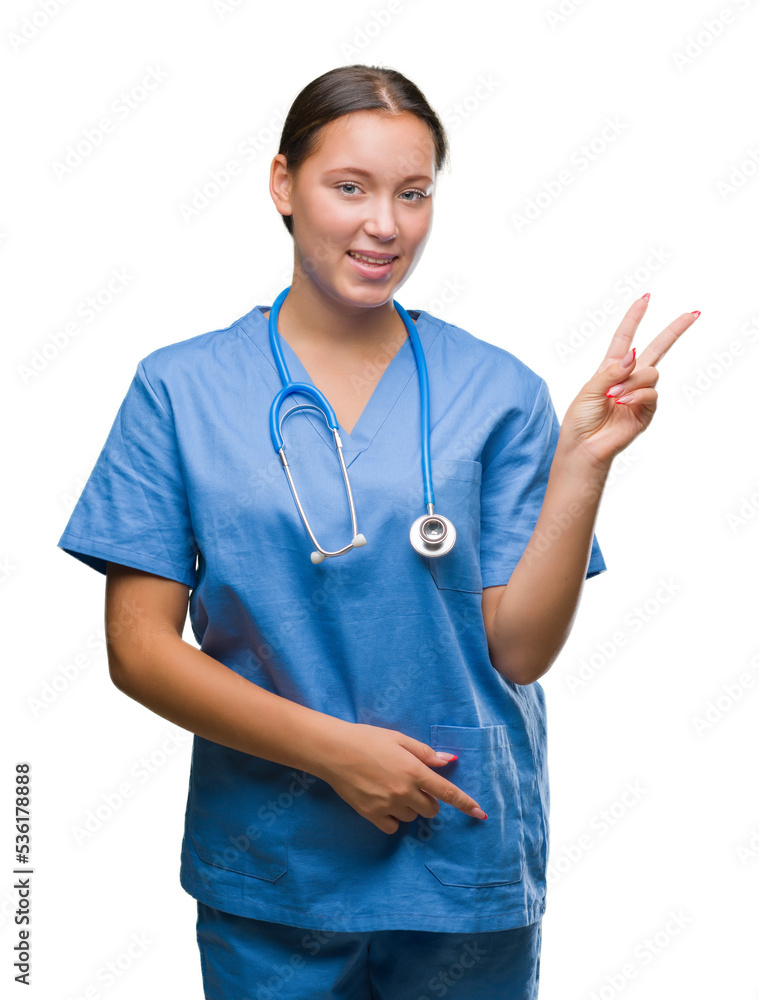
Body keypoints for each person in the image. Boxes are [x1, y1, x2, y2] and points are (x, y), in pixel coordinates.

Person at [57, 63, 700, 999]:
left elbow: (518, 651)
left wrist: (583, 465)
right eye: (348, 187)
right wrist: (334, 751)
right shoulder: (180, 389)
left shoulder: (497, 390)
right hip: (275, 869)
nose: (384, 225)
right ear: (284, 184)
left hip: (462, 857)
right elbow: (138, 651)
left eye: (413, 193)